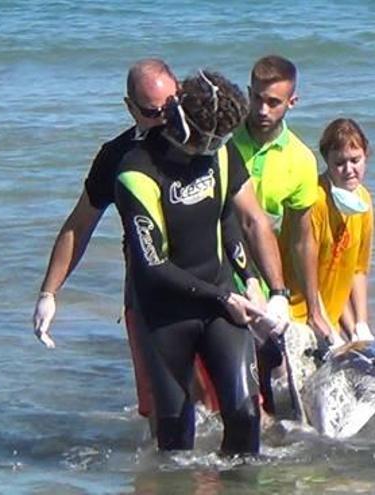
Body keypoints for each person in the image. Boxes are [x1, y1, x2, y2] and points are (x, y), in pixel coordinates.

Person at [31, 59, 261, 420]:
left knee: (242, 407)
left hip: (216, 287)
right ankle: (176, 478)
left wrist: (265, 287)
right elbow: (79, 225)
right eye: (153, 112)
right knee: (170, 414)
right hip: (154, 294)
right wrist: (49, 294)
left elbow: (247, 218)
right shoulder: (119, 157)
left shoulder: (208, 142)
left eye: (172, 106)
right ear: (130, 108)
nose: (166, 118)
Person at [114, 70, 288, 453]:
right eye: (206, 141)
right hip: (165, 313)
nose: (212, 148)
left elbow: (227, 218)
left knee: (245, 413)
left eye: (220, 140)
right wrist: (223, 298)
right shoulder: (136, 170)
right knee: (177, 435)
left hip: (220, 300)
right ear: (181, 124)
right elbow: (153, 265)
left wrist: (253, 280)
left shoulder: (222, 153)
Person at [225, 54, 336, 414]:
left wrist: (313, 307)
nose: (262, 109)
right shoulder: (222, 143)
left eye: (273, 102)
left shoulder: (301, 159)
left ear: (292, 102)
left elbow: (303, 239)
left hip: (262, 271)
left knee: (273, 364)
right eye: (256, 98)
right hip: (215, 262)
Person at [282, 118, 375, 343]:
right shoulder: (315, 201)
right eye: (340, 163)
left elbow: (355, 270)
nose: (349, 170)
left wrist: (359, 327)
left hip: (328, 319)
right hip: (297, 315)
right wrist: (323, 322)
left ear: (366, 156)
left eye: (355, 160)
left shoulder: (363, 201)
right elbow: (309, 272)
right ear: (326, 161)